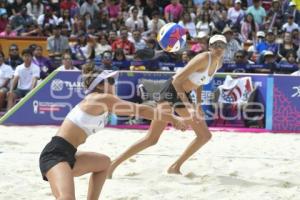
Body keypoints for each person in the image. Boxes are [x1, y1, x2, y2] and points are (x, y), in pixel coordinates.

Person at [39, 63, 187, 200]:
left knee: (104, 163)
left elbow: (136, 110)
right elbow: (140, 110)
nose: (114, 84)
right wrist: (173, 119)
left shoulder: (103, 103)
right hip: (54, 154)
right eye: (110, 81)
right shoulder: (101, 99)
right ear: (100, 85)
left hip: (70, 154)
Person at [108, 34, 227, 178]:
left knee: (204, 136)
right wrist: (190, 107)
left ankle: (175, 167)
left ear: (225, 48)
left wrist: (198, 105)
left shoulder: (218, 63)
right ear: (209, 47)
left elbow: (199, 82)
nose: (218, 48)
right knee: (151, 139)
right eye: (215, 45)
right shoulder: (203, 58)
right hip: (171, 91)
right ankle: (112, 165)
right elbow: (177, 81)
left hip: (184, 94)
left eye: (221, 45)